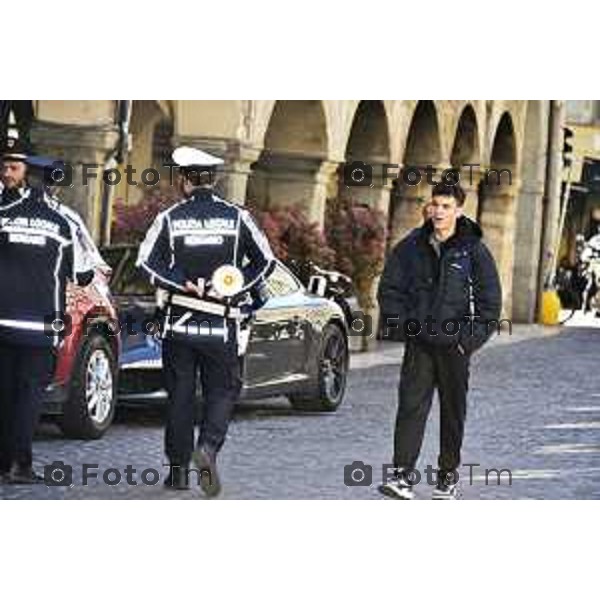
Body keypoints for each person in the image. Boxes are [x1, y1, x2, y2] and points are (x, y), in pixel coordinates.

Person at [137, 146, 276, 496]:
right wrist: (233, 284)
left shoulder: (169, 218)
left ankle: (179, 471)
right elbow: (267, 263)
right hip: (221, 326)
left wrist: (179, 279)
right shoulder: (237, 217)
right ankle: (209, 447)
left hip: (179, 326)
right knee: (222, 391)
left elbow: (146, 263)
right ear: (213, 180)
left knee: (180, 396)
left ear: (184, 181)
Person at [377, 182, 502, 500]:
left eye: (446, 206)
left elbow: (490, 303)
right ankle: (402, 477)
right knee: (410, 408)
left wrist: (467, 342)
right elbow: (390, 289)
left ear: (459, 210)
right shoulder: (412, 246)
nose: (438, 212)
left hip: (454, 347)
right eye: (435, 205)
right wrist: (406, 326)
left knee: (452, 412)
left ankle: (447, 477)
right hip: (420, 343)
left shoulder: (473, 250)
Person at [0, 130, 93, 484]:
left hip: (3, 322)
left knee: (5, 393)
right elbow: (82, 275)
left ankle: (3, 460)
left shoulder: (3, 214)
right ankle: (20, 465)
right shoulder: (61, 223)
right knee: (28, 397)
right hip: (40, 326)